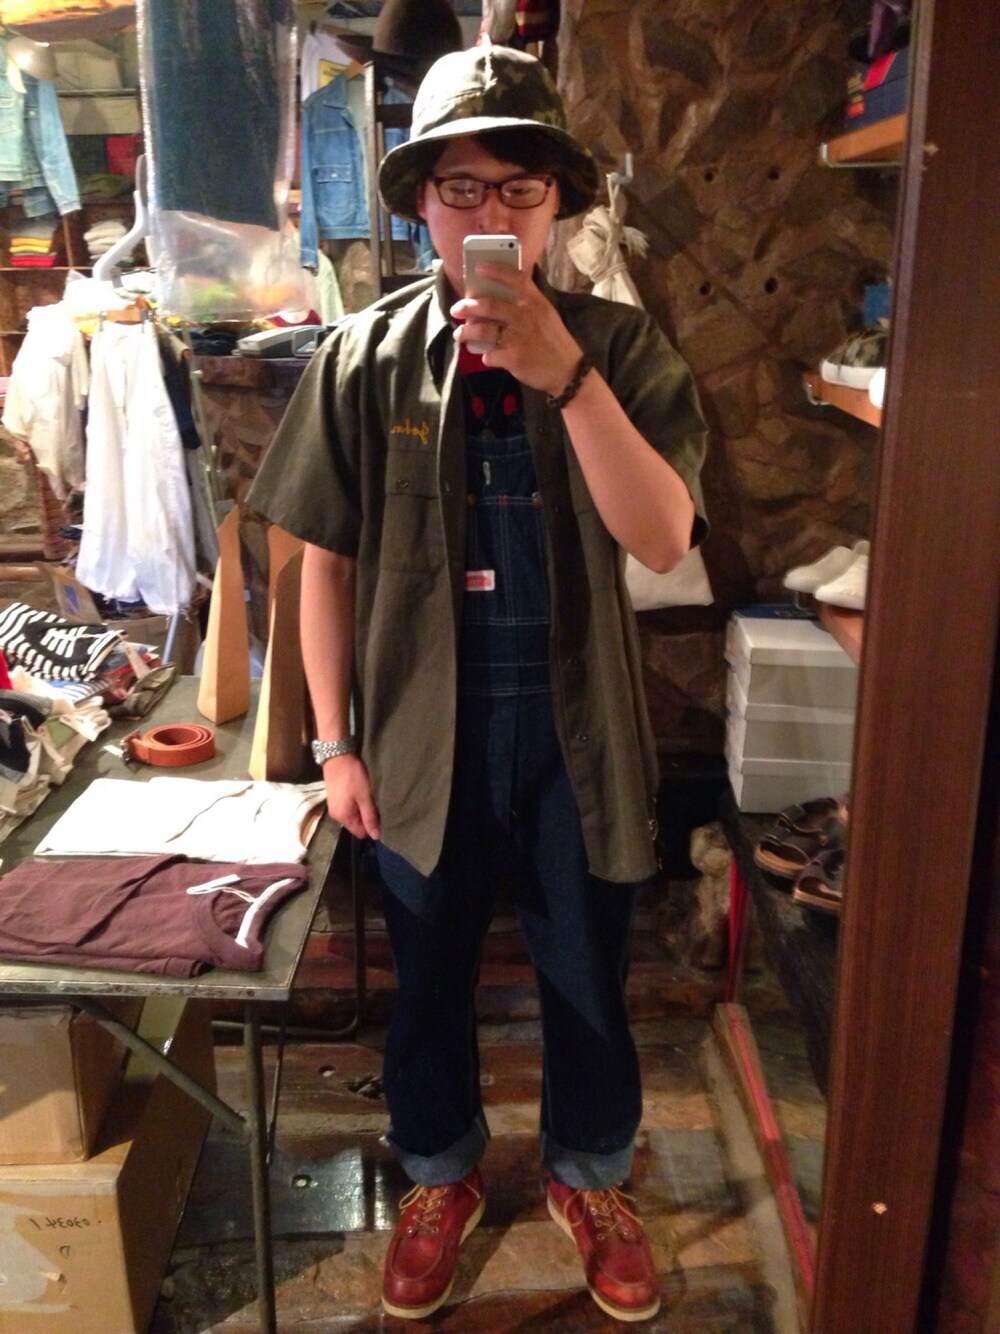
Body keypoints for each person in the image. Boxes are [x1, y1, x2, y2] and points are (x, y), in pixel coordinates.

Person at [248, 42, 708, 1324]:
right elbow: (321, 564)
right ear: (420, 203)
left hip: (577, 729)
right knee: (428, 974)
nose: (488, 213)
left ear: (557, 202)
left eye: (518, 187)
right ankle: (439, 1170)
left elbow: (662, 536)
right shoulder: (362, 356)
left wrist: (567, 377)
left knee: (586, 973)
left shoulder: (620, 346)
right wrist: (334, 743)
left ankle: (590, 1174)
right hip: (416, 732)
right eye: (462, 188)